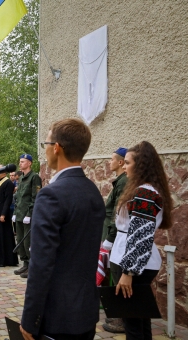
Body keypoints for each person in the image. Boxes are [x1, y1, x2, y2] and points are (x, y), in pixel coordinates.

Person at [20, 118, 106, 340]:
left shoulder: (51, 195)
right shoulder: (93, 192)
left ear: (56, 148)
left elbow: (41, 264)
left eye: (46, 144)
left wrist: (30, 319)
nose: (45, 150)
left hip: (57, 318)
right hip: (85, 312)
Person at [109, 142, 172, 339]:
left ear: (141, 165)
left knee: (133, 326)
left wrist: (129, 272)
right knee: (140, 321)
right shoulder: (147, 190)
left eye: (127, 163)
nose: (124, 166)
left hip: (133, 264)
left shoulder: (145, 192)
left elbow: (141, 235)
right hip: (134, 260)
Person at [100, 147, 128, 334]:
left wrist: (110, 237)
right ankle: (118, 314)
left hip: (117, 236)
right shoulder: (119, 181)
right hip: (113, 234)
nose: (109, 162)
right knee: (113, 272)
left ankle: (122, 318)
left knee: (118, 274)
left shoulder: (124, 182)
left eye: (112, 159)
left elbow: (117, 213)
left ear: (120, 163)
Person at [13, 154, 42, 278]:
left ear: (29, 163)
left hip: (28, 215)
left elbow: (36, 197)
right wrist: (15, 212)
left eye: (23, 162)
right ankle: (25, 263)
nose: (20, 164)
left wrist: (30, 214)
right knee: (20, 240)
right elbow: (18, 197)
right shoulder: (20, 178)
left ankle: (32, 266)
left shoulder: (34, 177)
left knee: (28, 242)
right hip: (19, 213)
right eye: (20, 161)